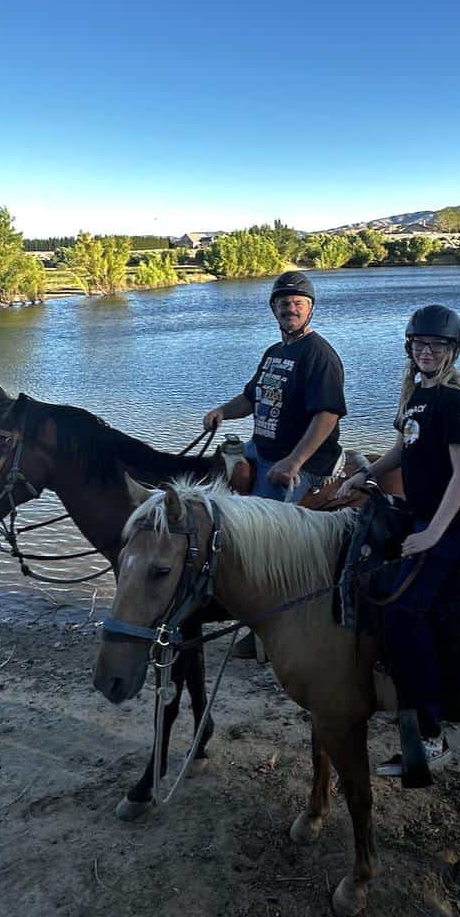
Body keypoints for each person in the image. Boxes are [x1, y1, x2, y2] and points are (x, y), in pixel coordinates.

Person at [337, 304, 460, 786]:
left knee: (404, 609)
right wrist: (364, 473)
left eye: (436, 346)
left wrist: (436, 531)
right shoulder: (416, 393)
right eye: (419, 345)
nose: (427, 351)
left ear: (451, 351)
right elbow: (405, 449)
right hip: (418, 511)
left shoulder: (453, 399)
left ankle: (434, 735)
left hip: (449, 520)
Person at [203, 270, 347, 655]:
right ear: (273, 309)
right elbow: (251, 399)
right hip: (260, 450)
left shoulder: (320, 355)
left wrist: (295, 460)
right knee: (213, 499)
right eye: (284, 303)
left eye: (299, 303)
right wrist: (222, 411)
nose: (291, 308)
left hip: (303, 462)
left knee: (266, 545)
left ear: (310, 309)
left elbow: (327, 415)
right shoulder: (274, 353)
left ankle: (267, 632)